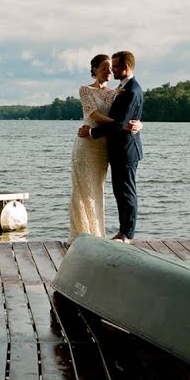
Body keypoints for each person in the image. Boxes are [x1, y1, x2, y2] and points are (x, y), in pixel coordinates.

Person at [68, 54, 140, 244]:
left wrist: (138, 125)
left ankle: (97, 234)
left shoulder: (117, 92)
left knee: (98, 190)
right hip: (87, 145)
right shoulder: (85, 90)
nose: (109, 72)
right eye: (105, 68)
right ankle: (81, 233)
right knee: (83, 189)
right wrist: (120, 125)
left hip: (104, 148)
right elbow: (95, 115)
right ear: (94, 70)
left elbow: (133, 111)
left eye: (111, 68)